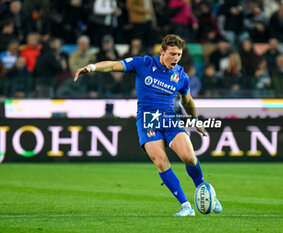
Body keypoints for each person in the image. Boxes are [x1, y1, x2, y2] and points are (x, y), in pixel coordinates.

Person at [74, 34, 222, 217]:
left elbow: (187, 100)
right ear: (162, 51)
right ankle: (186, 206)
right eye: (173, 54)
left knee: (189, 157)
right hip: (148, 119)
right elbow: (113, 65)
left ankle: (204, 189)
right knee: (160, 161)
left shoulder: (181, 76)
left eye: (179, 55)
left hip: (170, 118)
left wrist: (194, 119)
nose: (176, 58)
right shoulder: (143, 63)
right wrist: (92, 67)